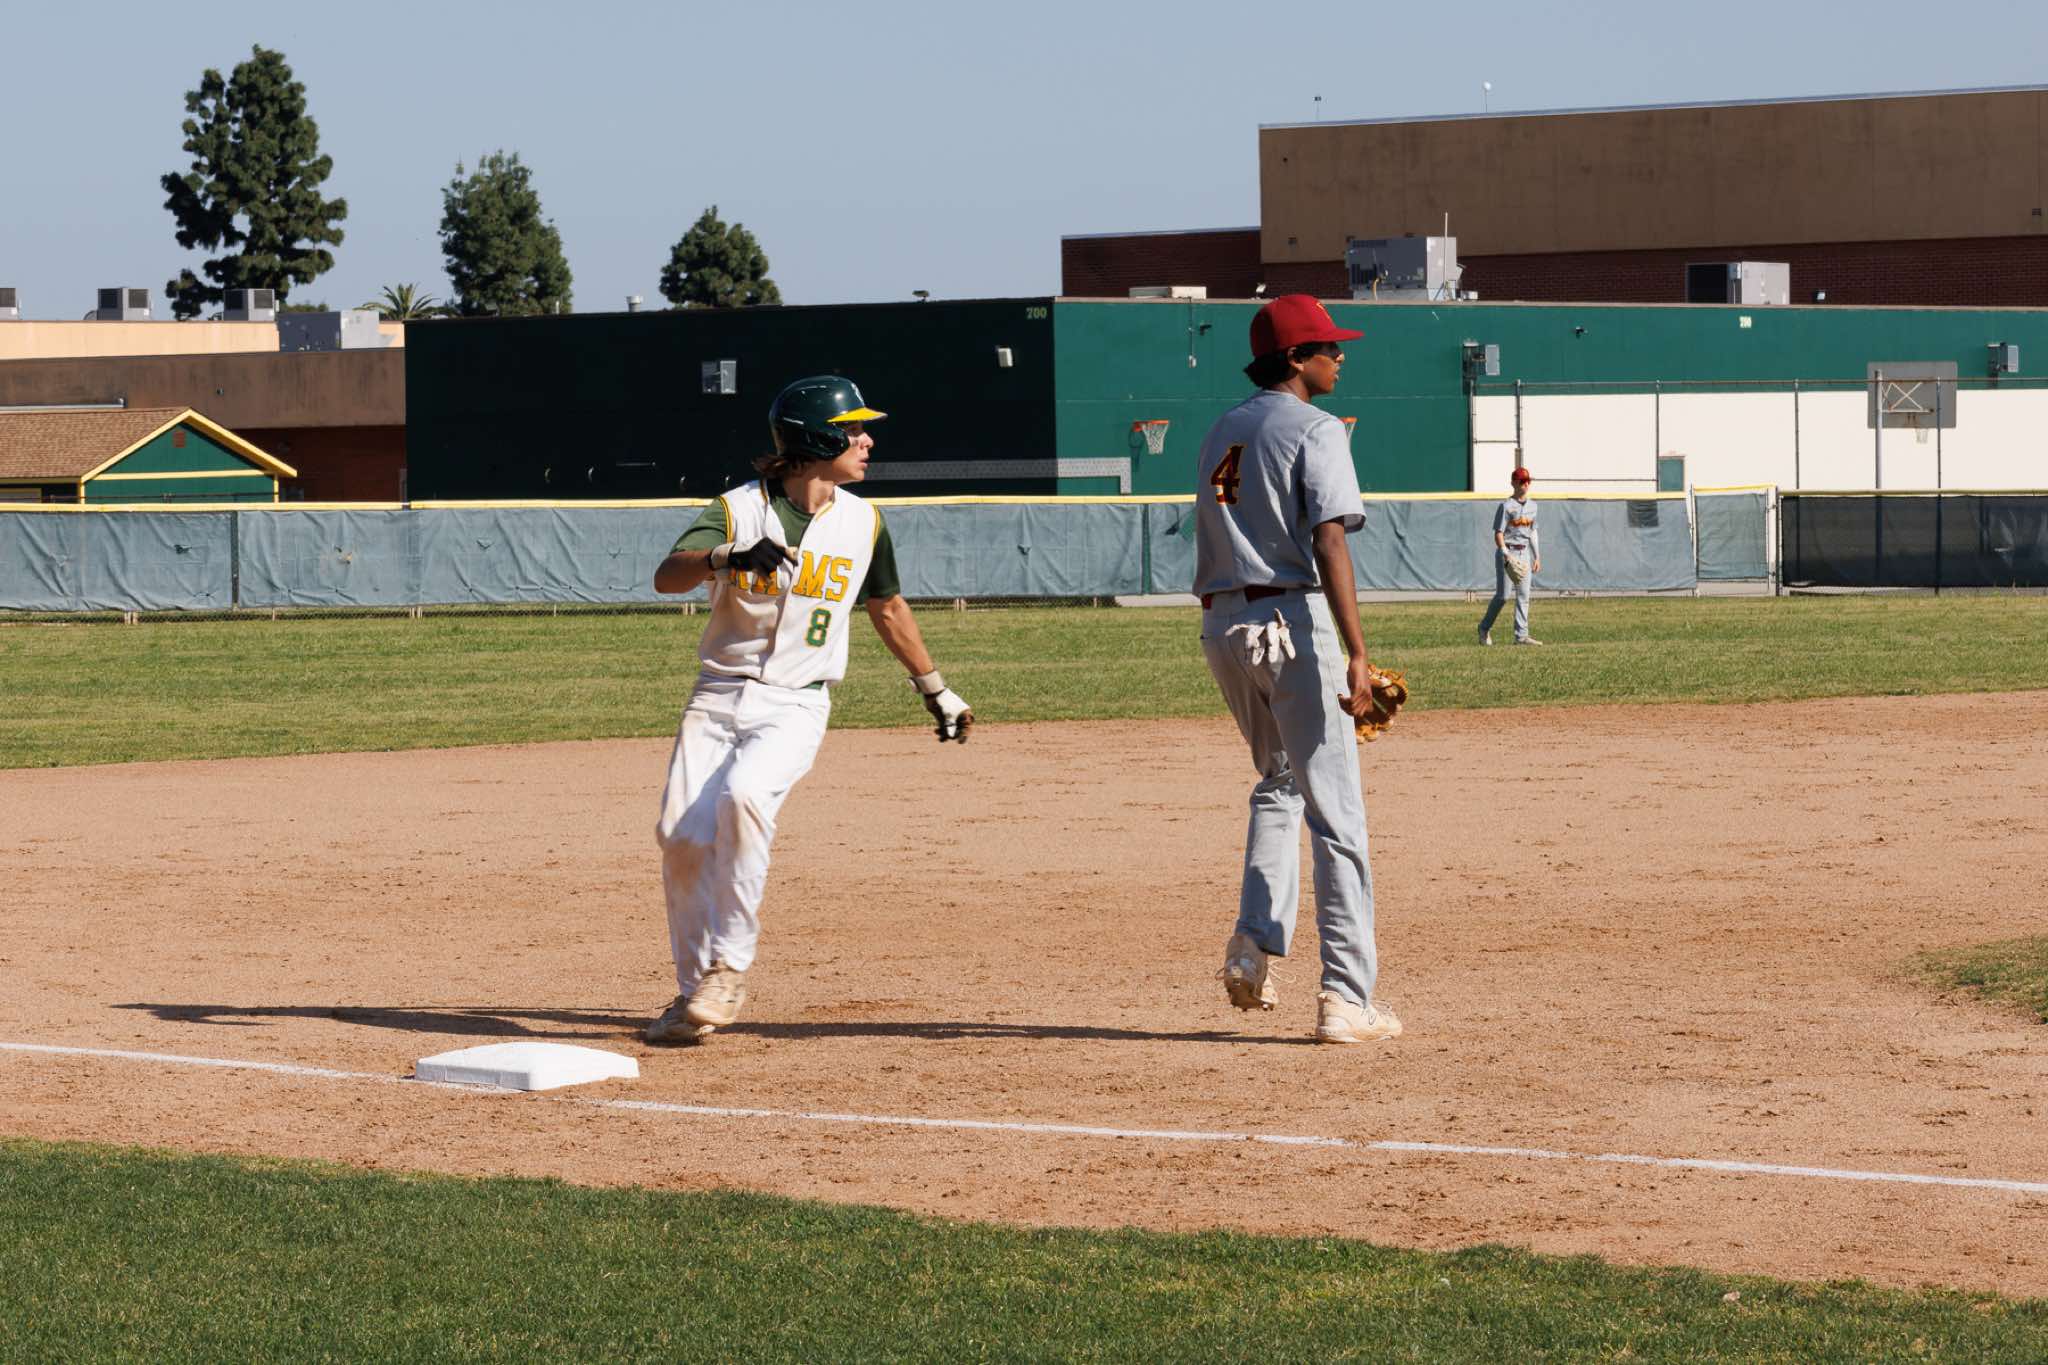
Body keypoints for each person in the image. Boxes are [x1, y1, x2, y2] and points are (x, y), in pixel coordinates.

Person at [645, 375, 973, 1044]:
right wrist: (724, 556)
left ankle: (730, 967)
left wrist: (935, 688)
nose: (867, 440)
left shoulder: (864, 522)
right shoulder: (738, 508)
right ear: (818, 440)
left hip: (795, 702)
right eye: (853, 429)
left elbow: (887, 607)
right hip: (717, 694)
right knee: (681, 838)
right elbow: (667, 575)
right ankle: (693, 992)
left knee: (744, 797)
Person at [1193, 294, 1400, 1046]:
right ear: (1294, 358)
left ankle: (1252, 942)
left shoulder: (1223, 428)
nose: (1339, 356)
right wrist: (1357, 652)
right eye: (1327, 346)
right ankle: (1347, 995)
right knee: (1337, 816)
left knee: (1280, 781)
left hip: (1223, 625)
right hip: (1289, 622)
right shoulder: (1316, 427)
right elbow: (1331, 540)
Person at [1478, 467, 1542, 646]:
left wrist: (1537, 556)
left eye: (1528, 481)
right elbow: (1498, 534)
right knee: (1503, 596)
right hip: (1508, 552)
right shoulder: (1506, 506)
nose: (1525, 484)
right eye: (1522, 481)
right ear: (1513, 483)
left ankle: (1521, 636)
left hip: (1524, 553)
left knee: (1524, 596)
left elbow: (1533, 532)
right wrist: (1506, 554)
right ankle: (1484, 628)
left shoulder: (1533, 506)